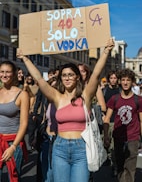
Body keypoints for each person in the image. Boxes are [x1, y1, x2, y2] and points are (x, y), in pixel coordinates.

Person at [17, 38, 114, 182]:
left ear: (77, 77)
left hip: (81, 148)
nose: (67, 78)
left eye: (70, 75)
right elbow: (40, 79)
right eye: (64, 75)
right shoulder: (57, 97)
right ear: (61, 78)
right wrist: (25, 58)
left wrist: (106, 51)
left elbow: (95, 75)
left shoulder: (85, 97)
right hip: (59, 148)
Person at [103, 68, 142, 182]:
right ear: (120, 81)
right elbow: (107, 119)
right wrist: (106, 136)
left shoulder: (138, 100)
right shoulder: (114, 99)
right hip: (118, 137)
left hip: (132, 138)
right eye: (123, 80)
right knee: (120, 168)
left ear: (132, 82)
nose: (125, 82)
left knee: (130, 168)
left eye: (128, 80)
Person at [0, 61, 29, 181]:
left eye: (8, 72)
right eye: (2, 72)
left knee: (13, 177)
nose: (4, 75)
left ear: (14, 74)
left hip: (13, 142)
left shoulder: (22, 94)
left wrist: (14, 147)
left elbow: (24, 123)